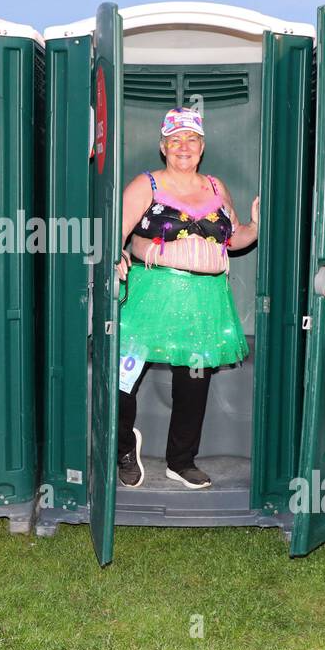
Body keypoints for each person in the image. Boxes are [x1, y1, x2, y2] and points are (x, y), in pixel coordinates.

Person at [113, 107, 260, 489]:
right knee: (122, 379)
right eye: (175, 139)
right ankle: (123, 450)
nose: (183, 146)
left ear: (202, 146)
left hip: (204, 299)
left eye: (191, 139)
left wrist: (256, 226)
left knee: (193, 384)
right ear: (163, 146)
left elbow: (236, 238)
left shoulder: (215, 186)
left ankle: (181, 460)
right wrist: (117, 256)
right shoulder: (146, 184)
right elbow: (115, 234)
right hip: (151, 295)